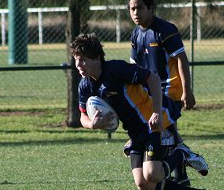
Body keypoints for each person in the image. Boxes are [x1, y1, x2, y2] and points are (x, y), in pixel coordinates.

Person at [70, 33, 206, 190]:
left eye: (83, 59)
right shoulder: (85, 86)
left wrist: (156, 113)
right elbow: (83, 116)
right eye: (76, 59)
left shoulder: (116, 70)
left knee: (153, 174)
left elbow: (153, 79)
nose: (78, 64)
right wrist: (92, 124)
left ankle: (182, 154)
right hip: (135, 132)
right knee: (143, 185)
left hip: (153, 124)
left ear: (96, 58)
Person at [125, 0, 208, 186]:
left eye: (139, 8)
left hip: (171, 91)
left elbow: (182, 59)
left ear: (151, 8)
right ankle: (180, 173)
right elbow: (134, 67)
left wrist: (187, 90)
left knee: (159, 128)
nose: (135, 12)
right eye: (132, 9)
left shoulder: (165, 30)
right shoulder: (136, 35)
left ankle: (180, 153)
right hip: (150, 93)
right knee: (164, 135)